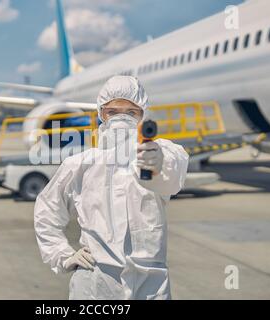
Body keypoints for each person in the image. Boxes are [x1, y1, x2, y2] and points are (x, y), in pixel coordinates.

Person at [34, 75, 189, 300]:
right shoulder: (81, 164)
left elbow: (173, 175)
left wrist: (159, 164)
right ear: (101, 114)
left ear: (143, 115)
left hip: (151, 282)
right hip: (95, 281)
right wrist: (62, 254)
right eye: (113, 112)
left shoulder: (157, 153)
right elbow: (47, 211)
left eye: (131, 112)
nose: (121, 118)